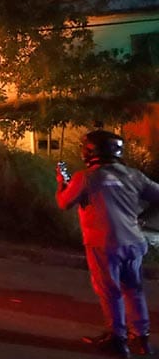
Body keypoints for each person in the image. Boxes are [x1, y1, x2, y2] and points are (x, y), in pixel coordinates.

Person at [56, 130, 159, 358]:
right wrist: (143, 216)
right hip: (134, 241)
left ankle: (118, 339)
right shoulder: (134, 175)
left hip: (103, 242)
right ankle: (141, 339)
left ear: (91, 150)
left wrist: (62, 183)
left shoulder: (86, 177)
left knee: (110, 290)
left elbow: (64, 203)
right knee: (134, 289)